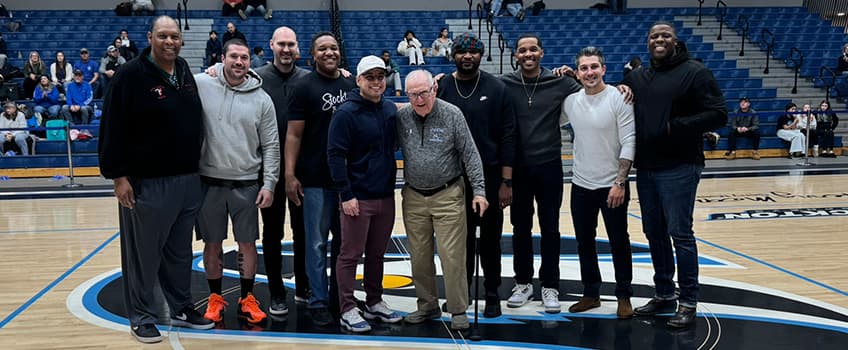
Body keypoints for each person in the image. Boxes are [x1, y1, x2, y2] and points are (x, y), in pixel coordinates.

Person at [97, 15, 214, 344]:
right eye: (163, 36)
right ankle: (142, 315)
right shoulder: (130, 75)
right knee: (143, 254)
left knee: (179, 252)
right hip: (147, 182)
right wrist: (119, 177)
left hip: (188, 180)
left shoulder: (185, 71)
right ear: (150, 37)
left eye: (175, 36)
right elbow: (112, 129)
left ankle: (181, 307)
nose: (170, 42)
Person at [622, 21, 727, 328]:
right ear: (648, 41)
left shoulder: (695, 71)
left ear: (675, 40)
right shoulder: (638, 77)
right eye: (654, 35)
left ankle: (689, 301)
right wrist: (622, 86)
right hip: (647, 168)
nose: (659, 39)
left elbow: (719, 113)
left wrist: (675, 126)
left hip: (680, 166)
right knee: (654, 233)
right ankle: (665, 294)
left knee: (680, 234)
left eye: (665, 35)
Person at [194, 38, 279, 326]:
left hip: (246, 184)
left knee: (247, 245)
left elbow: (271, 145)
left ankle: (247, 298)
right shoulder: (202, 84)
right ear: (222, 58)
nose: (239, 62)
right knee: (212, 244)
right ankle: (215, 297)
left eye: (244, 57)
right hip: (209, 182)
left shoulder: (262, 99)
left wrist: (269, 184)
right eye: (234, 57)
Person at [398, 69, 488, 331]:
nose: (419, 100)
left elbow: (470, 154)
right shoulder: (401, 117)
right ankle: (427, 305)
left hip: (448, 194)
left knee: (452, 256)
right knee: (419, 256)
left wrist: (479, 191)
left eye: (423, 93)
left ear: (434, 90)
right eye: (412, 95)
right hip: (414, 196)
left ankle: (458, 308)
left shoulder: (452, 114)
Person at [500, 34, 582, 314]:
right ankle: (522, 283)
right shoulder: (505, 83)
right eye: (522, 50)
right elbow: (476, 86)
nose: (528, 54)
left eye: (533, 49)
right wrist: (441, 79)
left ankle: (550, 286)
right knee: (520, 228)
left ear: (542, 53)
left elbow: (592, 89)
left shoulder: (560, 82)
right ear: (516, 55)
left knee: (550, 229)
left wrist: (574, 74)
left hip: (549, 165)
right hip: (518, 169)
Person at [436, 32, 515, 318]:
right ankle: (463, 291)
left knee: (492, 238)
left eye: (473, 52)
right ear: (453, 55)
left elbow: (508, 136)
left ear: (481, 55)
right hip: (454, 178)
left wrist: (506, 181)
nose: (467, 56)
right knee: (460, 239)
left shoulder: (497, 87)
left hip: (491, 175)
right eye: (461, 52)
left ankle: (492, 293)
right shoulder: (443, 86)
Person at [285, 31, 356, 326]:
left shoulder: (352, 84)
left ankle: (342, 298)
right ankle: (317, 299)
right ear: (312, 55)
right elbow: (294, 134)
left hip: (347, 182)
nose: (329, 52)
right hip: (314, 179)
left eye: (334, 48)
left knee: (345, 245)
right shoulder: (303, 87)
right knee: (316, 244)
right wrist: (289, 174)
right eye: (323, 49)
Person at [328, 55, 403, 332]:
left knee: (377, 254)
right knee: (350, 255)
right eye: (370, 77)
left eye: (380, 77)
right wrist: (345, 195)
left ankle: (374, 302)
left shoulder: (390, 110)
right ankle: (347, 307)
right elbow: (335, 155)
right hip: (357, 197)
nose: (376, 82)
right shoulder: (346, 113)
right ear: (358, 80)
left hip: (385, 195)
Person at [560, 46, 635, 319]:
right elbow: (545, 116)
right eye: (584, 68)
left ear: (603, 69)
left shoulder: (619, 97)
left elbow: (629, 140)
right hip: (581, 184)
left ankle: (624, 295)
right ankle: (591, 293)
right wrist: (559, 79)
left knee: (618, 241)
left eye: (594, 67)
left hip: (612, 185)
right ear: (577, 73)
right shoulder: (571, 102)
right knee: (584, 242)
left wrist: (620, 182)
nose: (590, 72)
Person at [254, 26, 312, 314]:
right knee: (272, 232)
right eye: (281, 44)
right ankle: (276, 291)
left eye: (291, 44)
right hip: (270, 171)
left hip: (304, 170)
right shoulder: (257, 78)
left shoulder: (309, 79)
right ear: (271, 45)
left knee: (303, 231)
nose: (286, 49)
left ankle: (304, 285)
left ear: (297, 47)